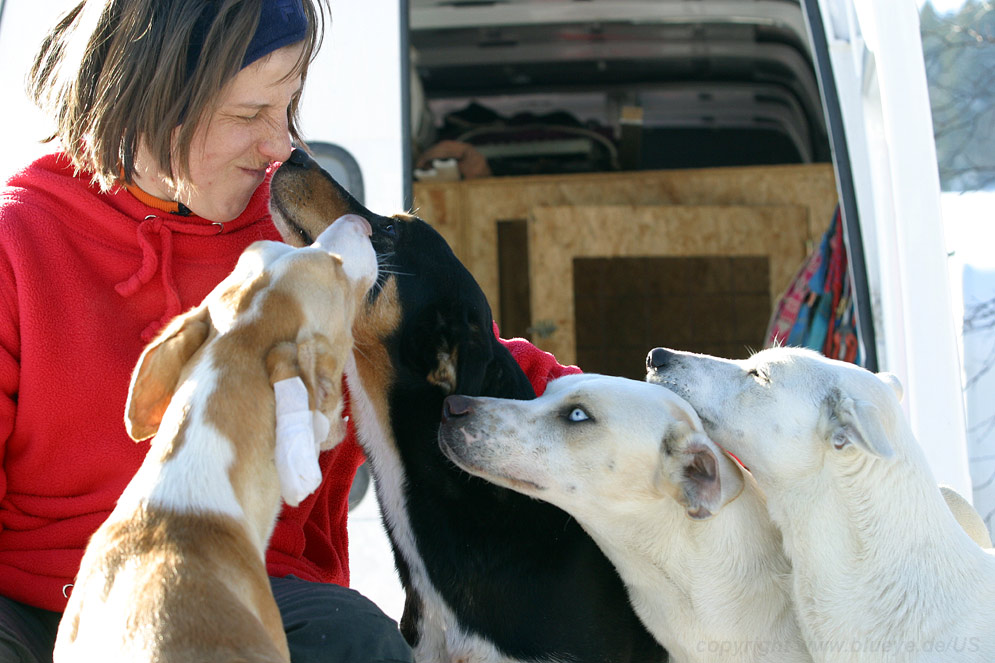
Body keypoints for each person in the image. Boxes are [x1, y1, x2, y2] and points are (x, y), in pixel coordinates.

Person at [0, 1, 578, 661]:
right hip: (40, 611)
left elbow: (465, 355)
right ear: (148, 101)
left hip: (258, 594)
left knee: (357, 640)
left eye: (289, 107)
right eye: (249, 115)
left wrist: (649, 414)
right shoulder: (18, 245)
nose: (281, 145)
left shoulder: (300, 237)